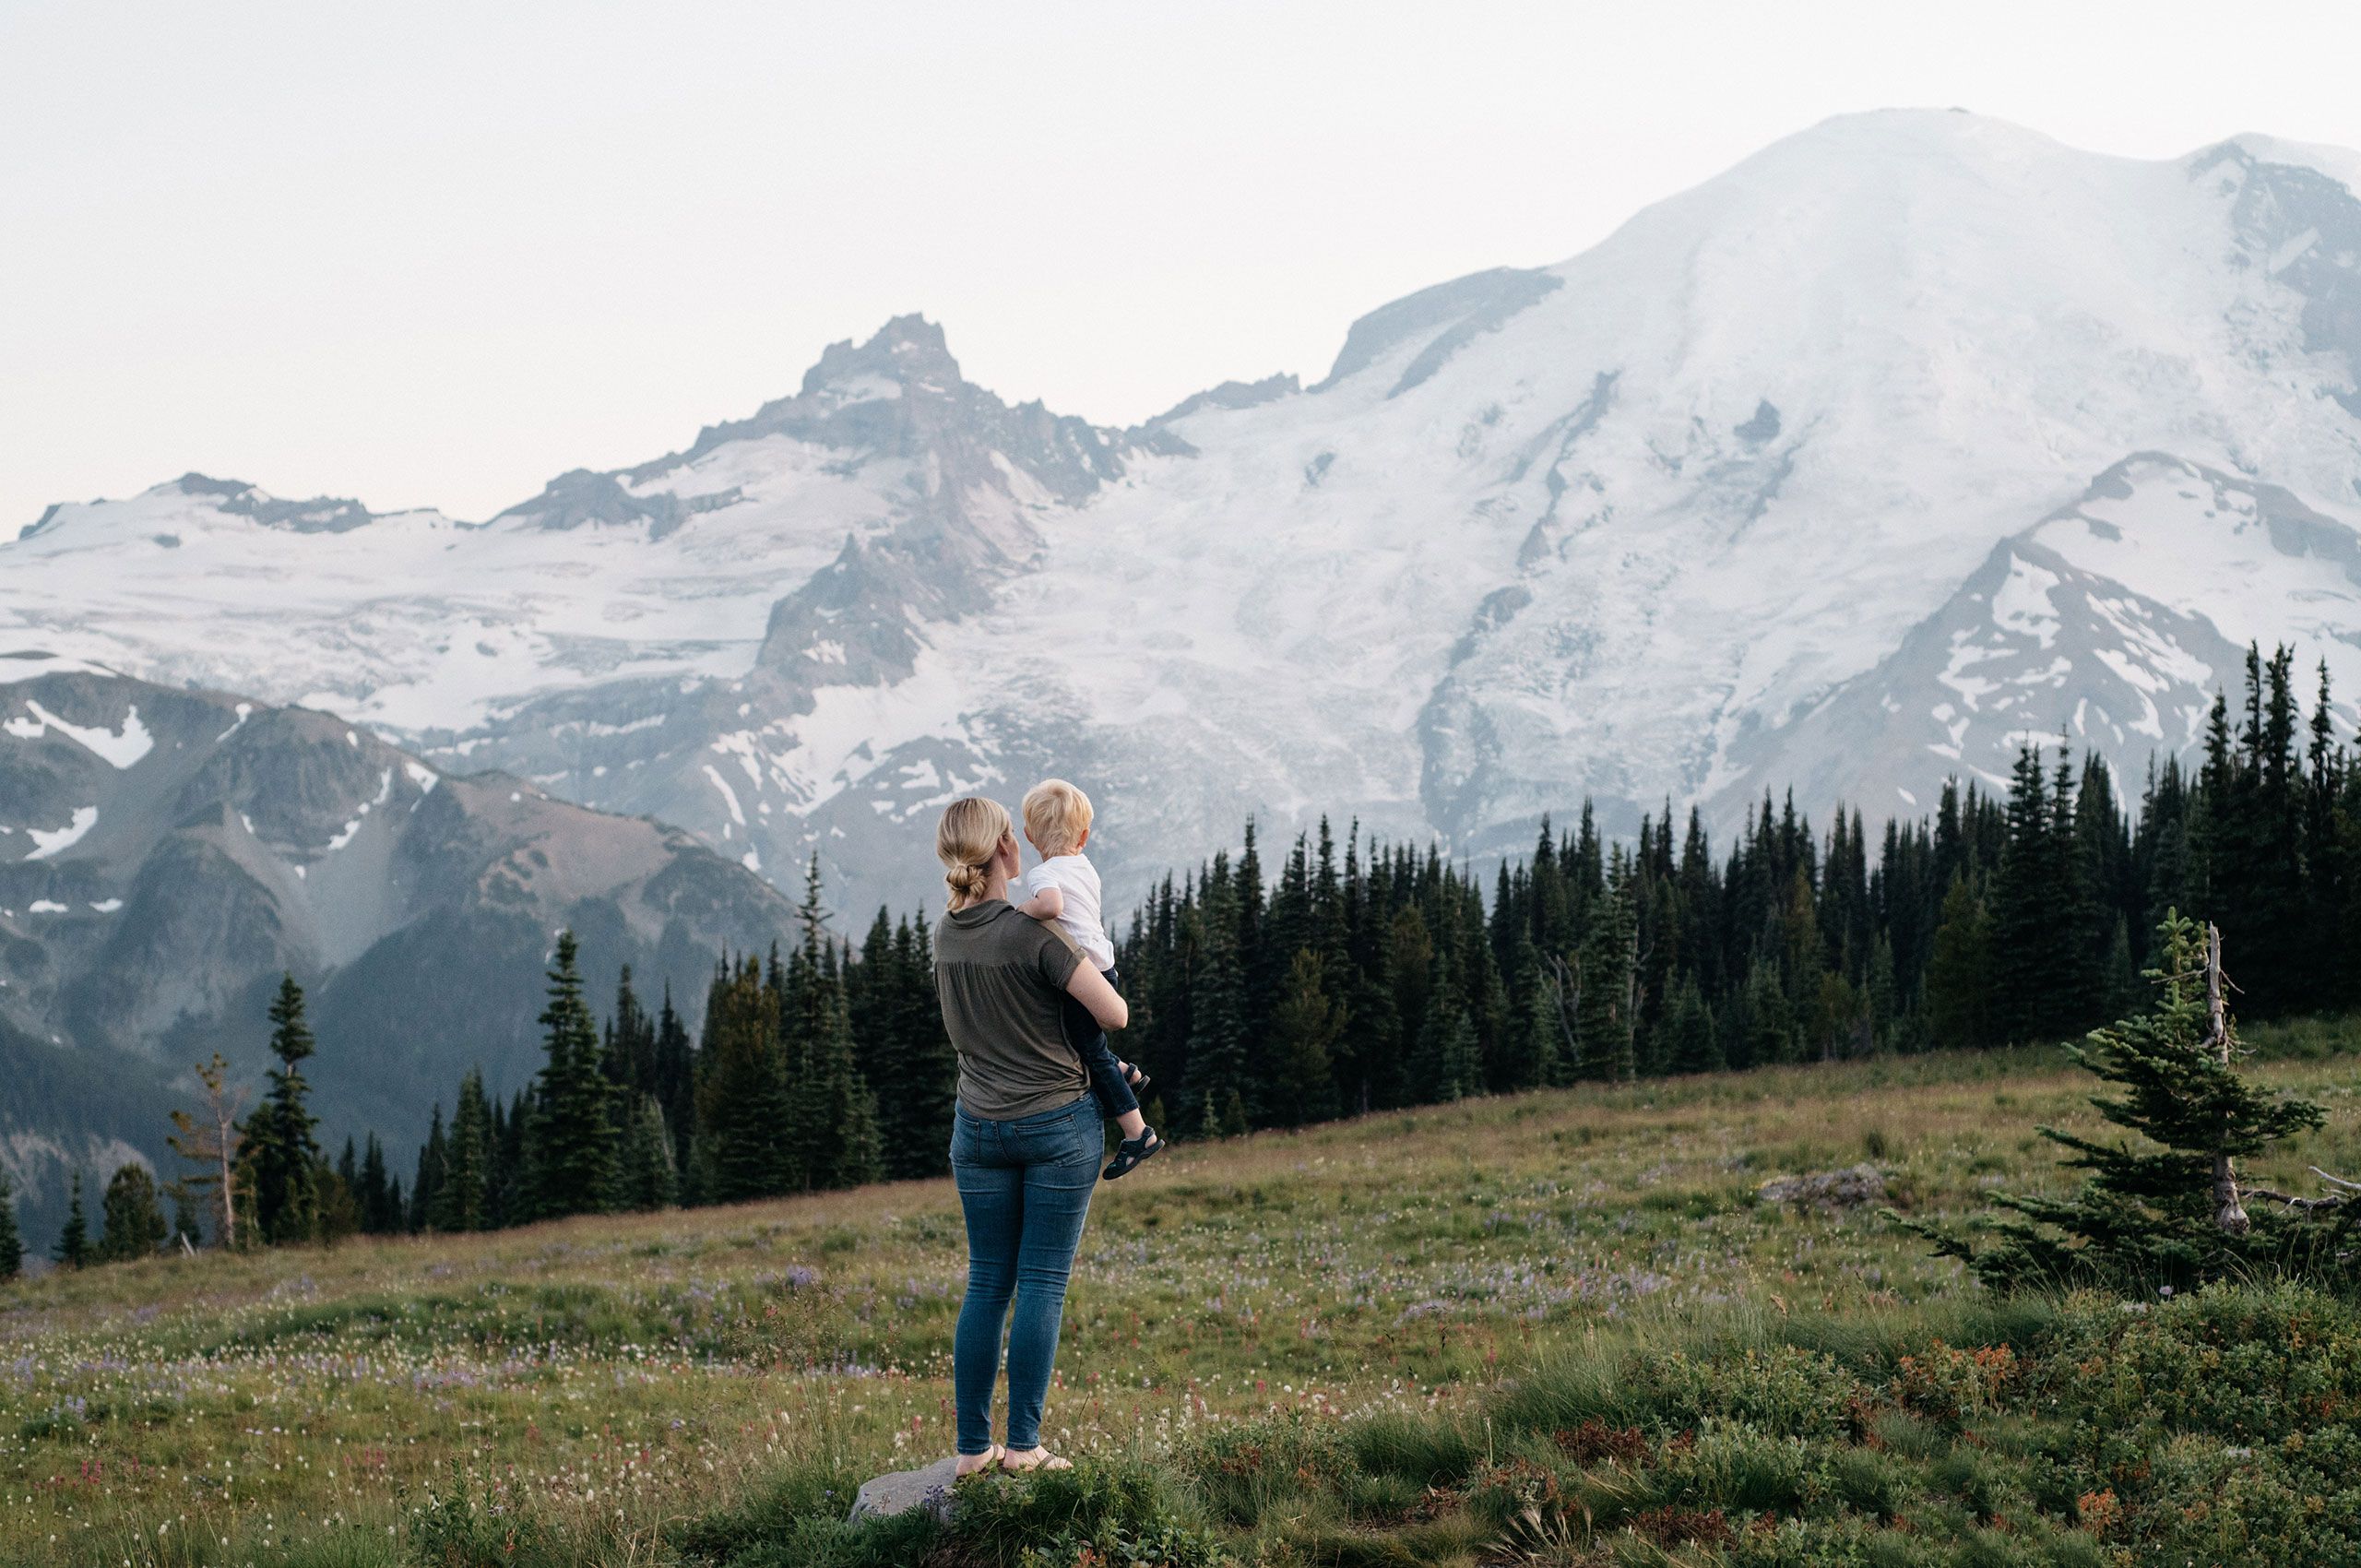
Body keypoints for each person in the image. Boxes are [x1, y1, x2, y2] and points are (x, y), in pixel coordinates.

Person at [933, 795, 1130, 1477]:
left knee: (987, 1282)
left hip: (977, 1130)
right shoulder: (1032, 934)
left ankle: (969, 1452)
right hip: (1054, 1125)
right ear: (1007, 852)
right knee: (1043, 1281)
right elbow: (1114, 1014)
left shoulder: (945, 936)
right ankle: (1023, 1447)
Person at [1011, 778, 1164, 1179]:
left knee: (1087, 1052)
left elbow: (1052, 906)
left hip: (1080, 975)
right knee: (1082, 1041)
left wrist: (1025, 910)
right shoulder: (1085, 867)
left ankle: (1138, 1133)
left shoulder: (1044, 874)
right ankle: (1125, 1069)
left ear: (1029, 835)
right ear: (1084, 835)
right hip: (1104, 969)